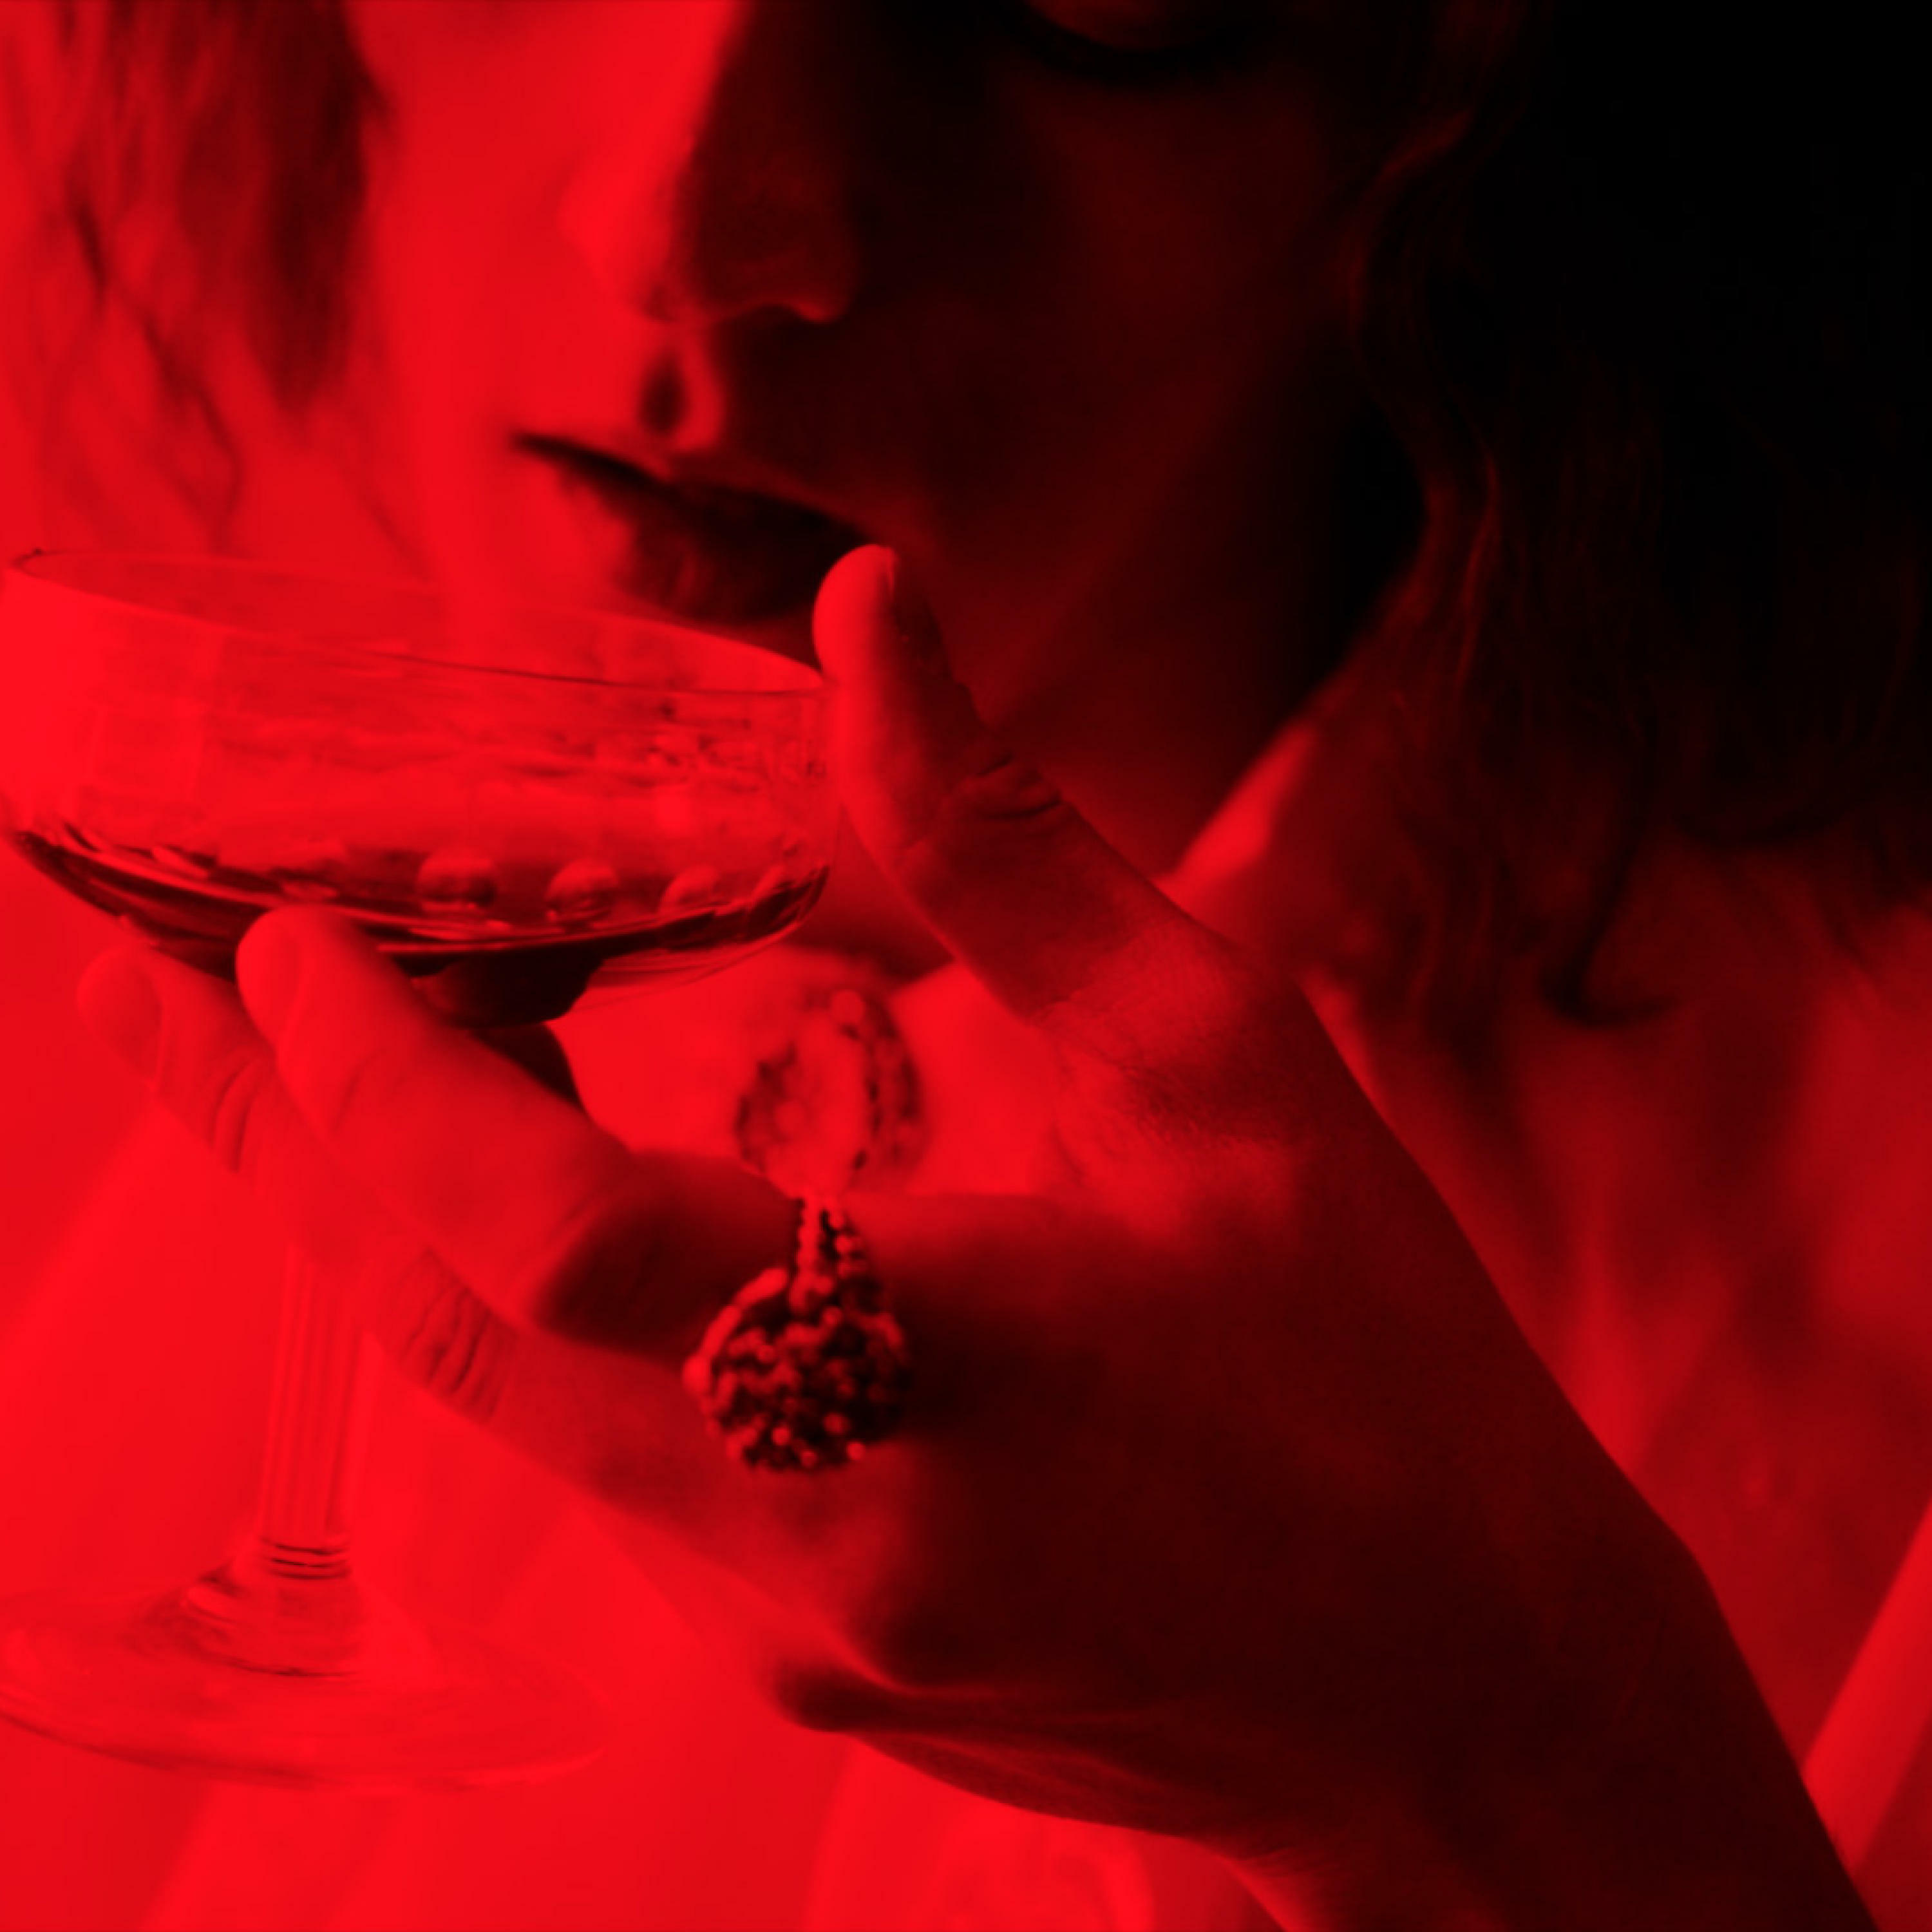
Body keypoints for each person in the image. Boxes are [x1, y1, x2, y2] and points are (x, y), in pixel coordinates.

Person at [1, 0, 1927, 1924]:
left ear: (1471, 113)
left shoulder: (1849, 1320)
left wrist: (1496, 1773)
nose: (677, 232)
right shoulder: (245, 980)